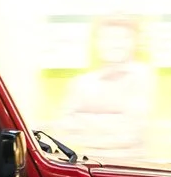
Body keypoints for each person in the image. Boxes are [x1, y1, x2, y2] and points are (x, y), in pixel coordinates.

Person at [57, 17, 155, 155]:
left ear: (134, 43)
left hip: (128, 166)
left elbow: (131, 134)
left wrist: (87, 124)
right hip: (88, 166)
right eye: (108, 38)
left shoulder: (141, 77)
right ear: (97, 43)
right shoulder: (81, 83)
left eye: (123, 38)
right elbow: (66, 131)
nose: (116, 44)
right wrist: (112, 125)